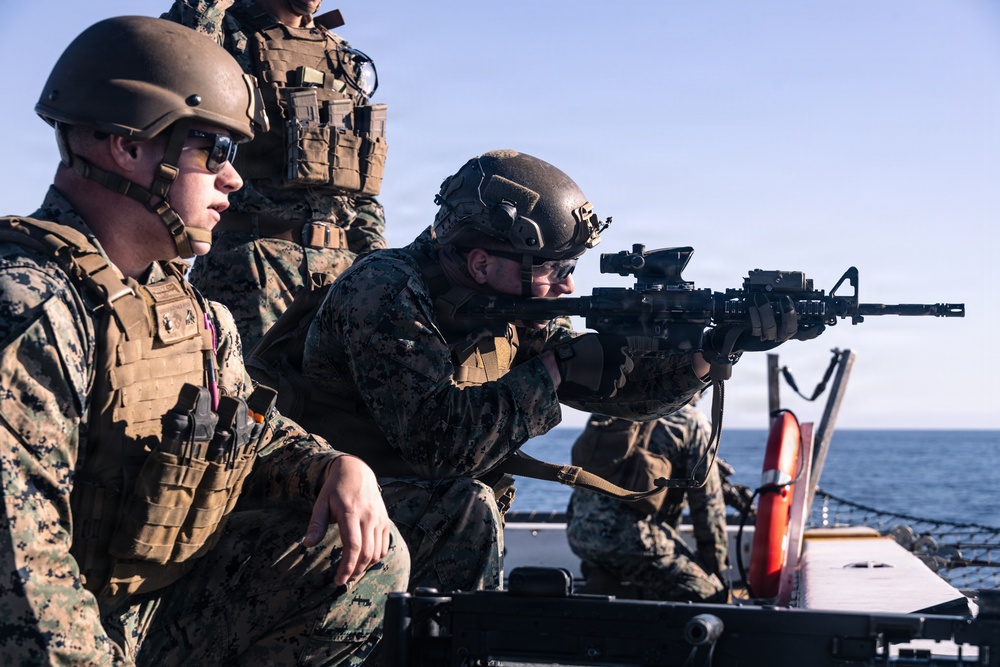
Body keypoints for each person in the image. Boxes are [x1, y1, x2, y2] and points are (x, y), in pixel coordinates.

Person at [0, 17, 407, 665]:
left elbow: (248, 422)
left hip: (134, 613)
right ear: (125, 145)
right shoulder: (28, 308)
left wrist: (333, 465)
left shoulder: (190, 313)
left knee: (362, 551)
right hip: (43, 632)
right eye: (212, 149)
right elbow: (22, 574)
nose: (234, 179)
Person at [249, 149, 810, 594]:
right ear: (481, 263)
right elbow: (440, 445)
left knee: (473, 502)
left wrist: (709, 356)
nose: (567, 287)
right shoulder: (386, 289)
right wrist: (550, 373)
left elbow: (613, 390)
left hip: (393, 500)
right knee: (466, 505)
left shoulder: (509, 302)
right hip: (314, 502)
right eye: (556, 269)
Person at [163, 0, 388, 352]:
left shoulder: (343, 58)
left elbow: (358, 181)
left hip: (342, 272)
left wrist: (376, 266)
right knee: (251, 401)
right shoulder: (225, 32)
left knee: (338, 406)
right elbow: (171, 63)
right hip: (253, 267)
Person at [566, 394, 729, 603]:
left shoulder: (614, 408)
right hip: (632, 543)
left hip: (579, 534)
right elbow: (707, 507)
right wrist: (715, 572)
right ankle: (620, 591)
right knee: (709, 593)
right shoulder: (692, 421)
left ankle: (605, 579)